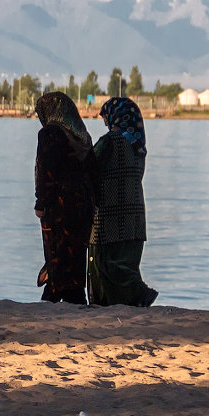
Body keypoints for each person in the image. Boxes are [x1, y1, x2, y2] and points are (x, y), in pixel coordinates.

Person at [87, 97, 158, 307]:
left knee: (105, 264)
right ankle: (134, 302)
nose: (106, 123)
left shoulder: (109, 142)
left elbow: (89, 165)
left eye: (107, 118)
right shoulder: (138, 145)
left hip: (109, 215)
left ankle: (138, 296)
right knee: (126, 264)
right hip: (135, 216)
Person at [33, 92, 97, 304]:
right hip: (84, 206)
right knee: (76, 255)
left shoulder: (50, 133)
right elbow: (91, 172)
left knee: (56, 254)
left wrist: (40, 203)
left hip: (59, 207)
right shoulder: (82, 136)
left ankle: (53, 296)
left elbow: (46, 172)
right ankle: (74, 297)